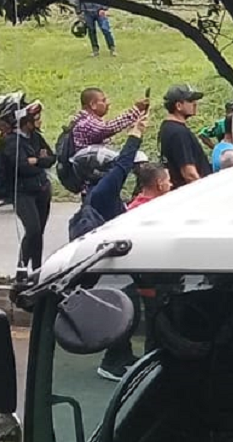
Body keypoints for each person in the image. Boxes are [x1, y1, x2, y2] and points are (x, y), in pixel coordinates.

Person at [69, 125, 150, 380]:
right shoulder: (102, 192)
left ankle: (122, 355)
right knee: (123, 308)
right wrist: (135, 136)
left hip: (113, 260)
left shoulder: (98, 193)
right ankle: (112, 361)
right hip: (110, 264)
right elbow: (122, 166)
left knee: (127, 306)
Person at [3, 100, 55, 273]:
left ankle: (37, 268)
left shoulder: (36, 137)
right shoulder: (12, 142)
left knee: (39, 231)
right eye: (36, 118)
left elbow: (51, 158)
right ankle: (22, 267)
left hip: (42, 190)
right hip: (23, 192)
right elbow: (23, 167)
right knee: (32, 229)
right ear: (26, 123)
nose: (39, 121)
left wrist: (37, 161)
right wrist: (38, 161)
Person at [157, 84, 211, 186]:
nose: (195, 104)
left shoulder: (167, 127)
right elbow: (189, 173)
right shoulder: (178, 133)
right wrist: (205, 191)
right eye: (190, 101)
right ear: (178, 106)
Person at [69, 87, 147, 151]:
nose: (108, 103)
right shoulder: (85, 122)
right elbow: (107, 128)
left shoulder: (82, 119)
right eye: (103, 100)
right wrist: (135, 110)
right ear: (93, 105)